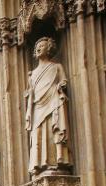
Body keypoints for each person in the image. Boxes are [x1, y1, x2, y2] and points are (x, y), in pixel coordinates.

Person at [25, 37, 71, 175]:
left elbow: (63, 81)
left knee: (52, 129)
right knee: (39, 133)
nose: (38, 48)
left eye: (42, 46)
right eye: (37, 46)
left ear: (49, 48)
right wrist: (28, 112)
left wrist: (61, 85)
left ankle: (56, 161)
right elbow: (31, 95)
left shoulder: (56, 67)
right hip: (38, 107)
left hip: (53, 101)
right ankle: (41, 164)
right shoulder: (32, 75)